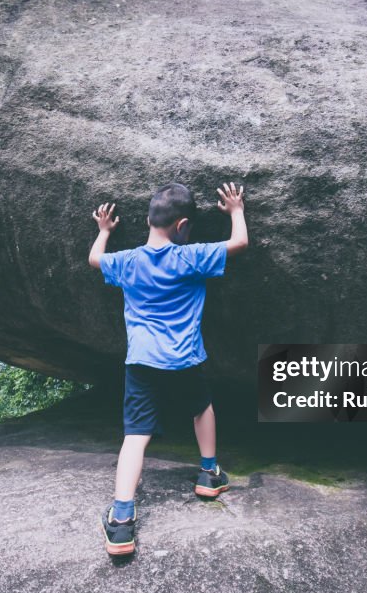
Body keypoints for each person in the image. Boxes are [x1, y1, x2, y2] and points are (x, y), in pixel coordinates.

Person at [88, 181, 248, 556]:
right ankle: (209, 474)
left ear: (148, 220)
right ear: (183, 226)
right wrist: (236, 211)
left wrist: (104, 232)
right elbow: (239, 244)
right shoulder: (190, 257)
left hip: (142, 361)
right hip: (185, 358)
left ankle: (122, 520)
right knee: (201, 407)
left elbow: (95, 260)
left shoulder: (126, 261)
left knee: (136, 434)